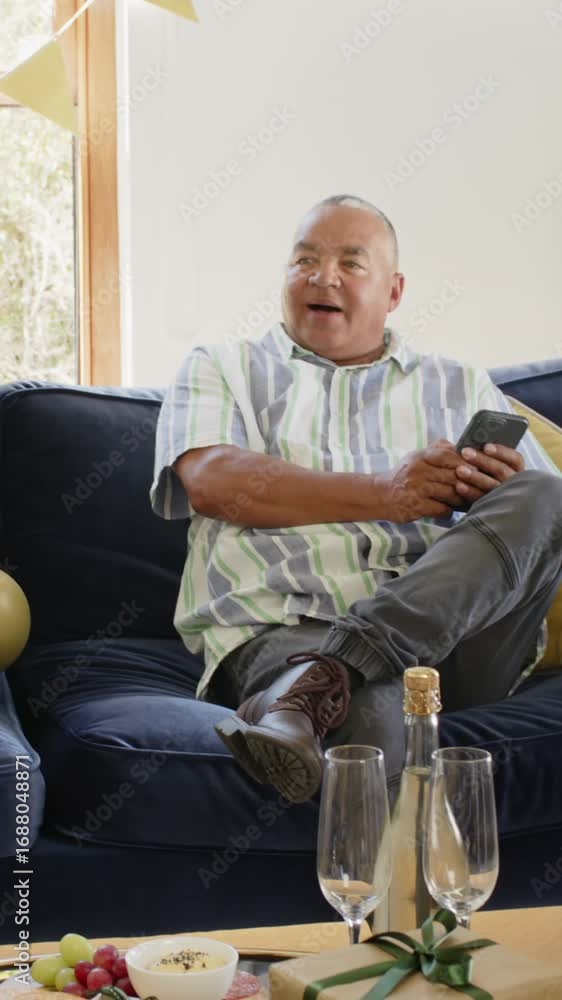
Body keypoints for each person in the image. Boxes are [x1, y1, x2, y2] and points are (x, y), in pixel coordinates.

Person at [151, 194, 562, 806]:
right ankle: (331, 682)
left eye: (350, 262)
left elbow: (544, 525)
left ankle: (328, 675)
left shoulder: (458, 383)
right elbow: (212, 481)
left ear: (394, 292)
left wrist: (497, 501)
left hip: (456, 643)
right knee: (374, 714)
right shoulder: (223, 367)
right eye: (305, 260)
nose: (323, 277)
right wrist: (387, 494)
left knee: (545, 495)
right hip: (286, 629)